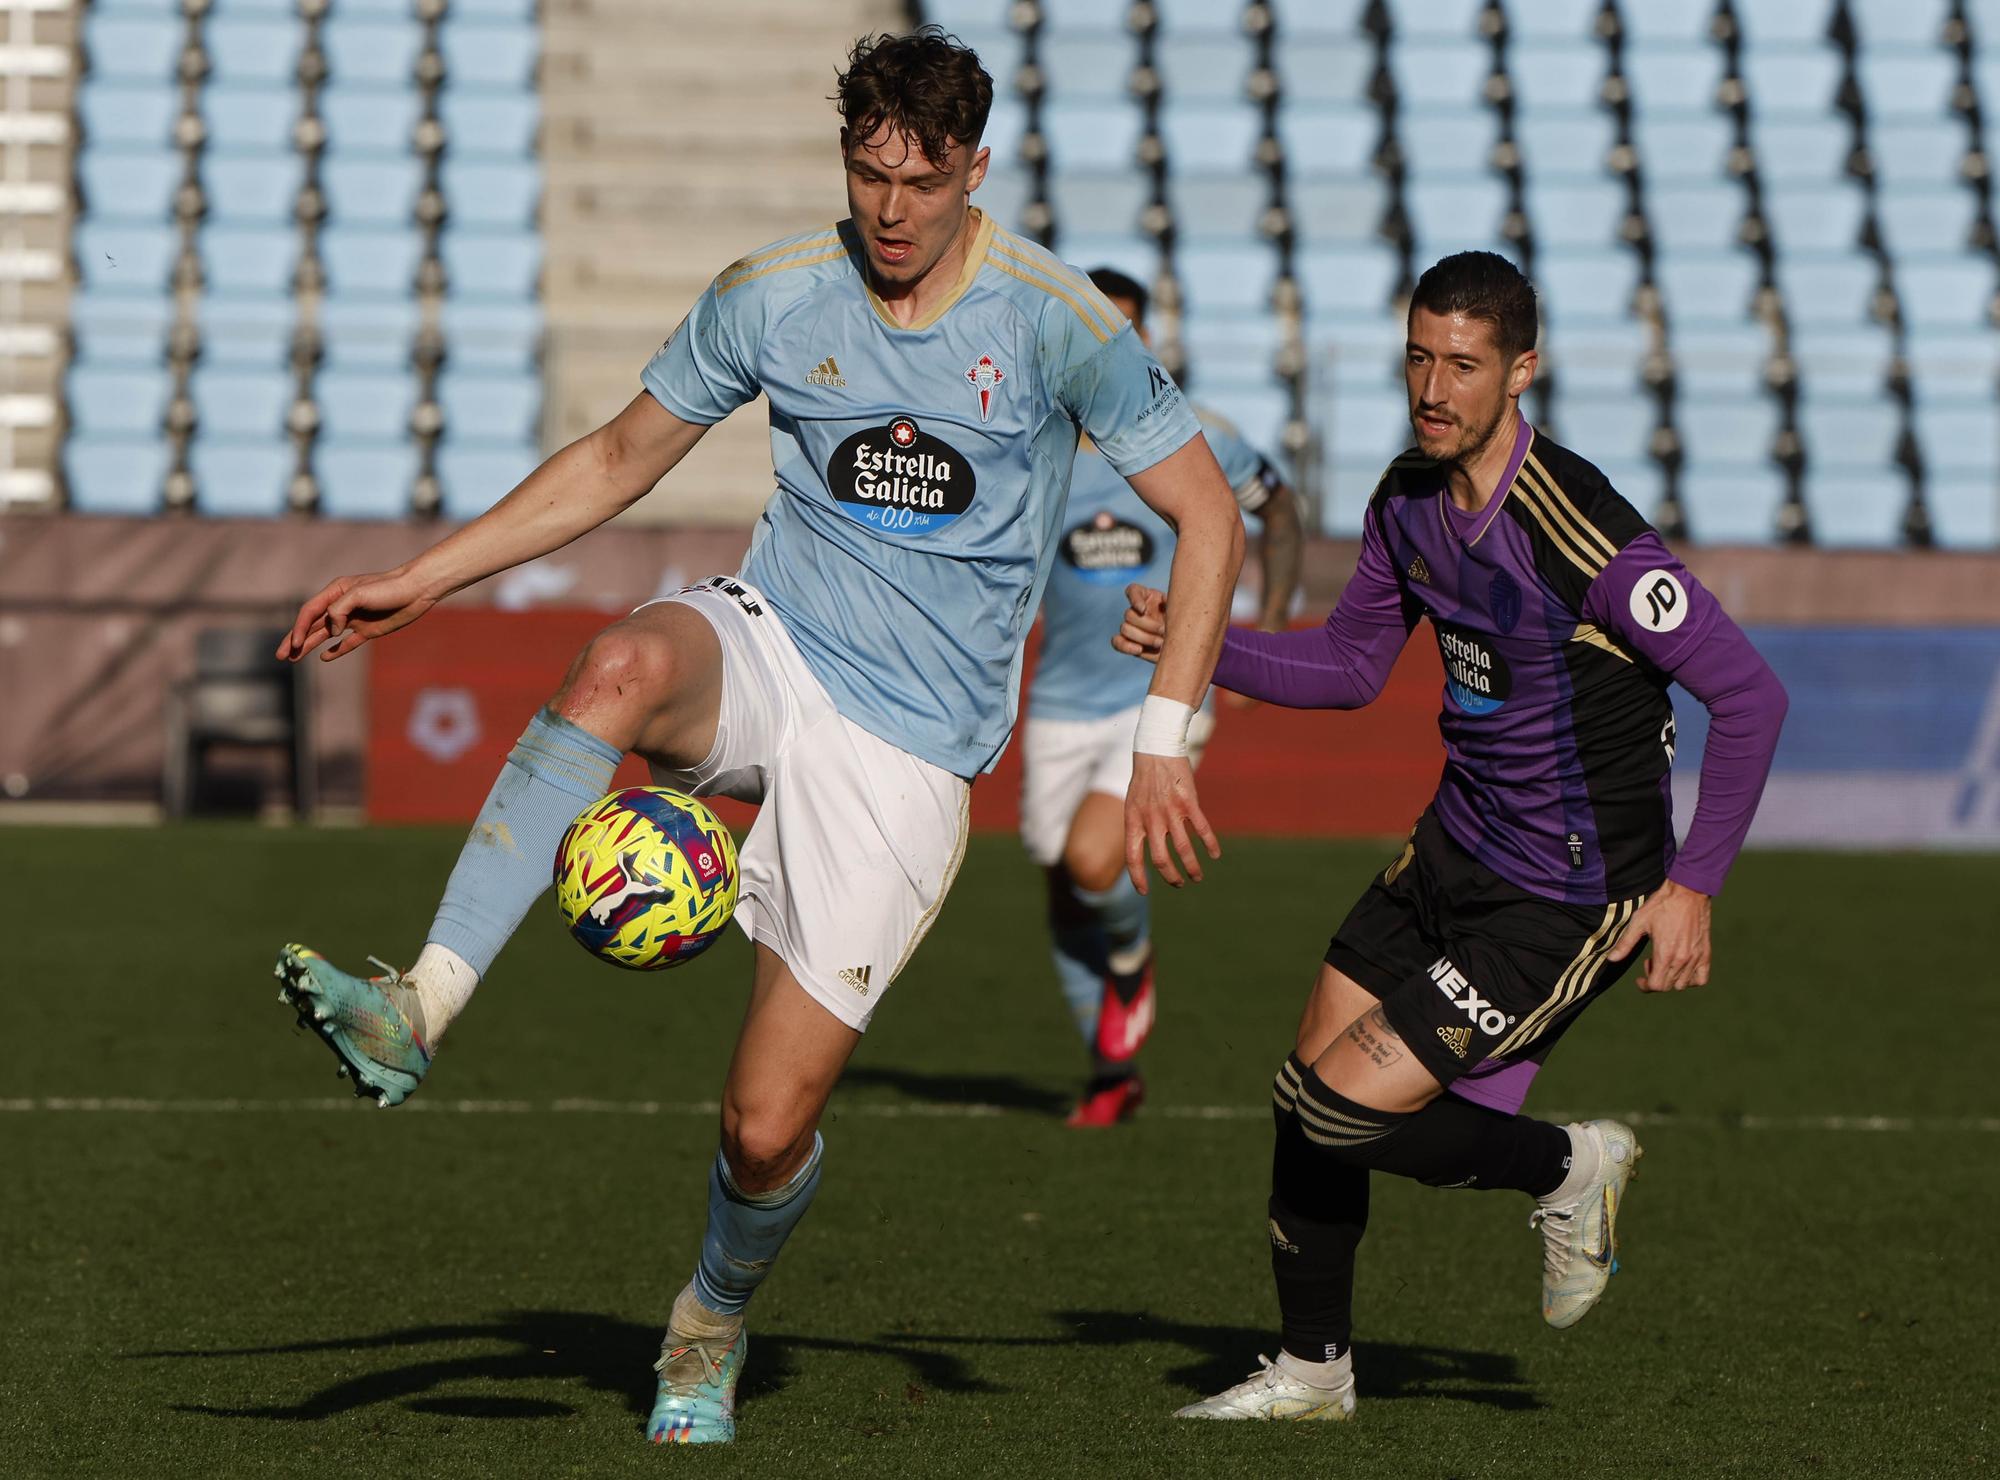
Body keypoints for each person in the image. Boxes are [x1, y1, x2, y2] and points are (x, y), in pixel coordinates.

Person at [268, 29, 1244, 1446]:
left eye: (922, 181)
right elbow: (615, 457)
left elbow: (1207, 514)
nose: (891, 211)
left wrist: (1166, 737)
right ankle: (421, 1003)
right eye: (867, 175)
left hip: (911, 751)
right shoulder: (777, 293)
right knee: (613, 664)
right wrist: (422, 579)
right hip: (773, 642)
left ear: (978, 166)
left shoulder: (1053, 320)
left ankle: (708, 1324)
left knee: (764, 1129)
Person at [1115, 251, 1787, 1422]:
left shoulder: (1579, 531)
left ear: (1521, 371)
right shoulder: (1405, 496)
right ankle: (1314, 1373)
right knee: (1301, 1101)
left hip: (1568, 895)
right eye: (1418, 358)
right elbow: (1348, 663)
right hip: (1448, 851)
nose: (1432, 387)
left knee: (1341, 1110)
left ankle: (1572, 1166)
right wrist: (1202, 638)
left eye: (1462, 365)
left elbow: (1750, 696)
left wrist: (1691, 887)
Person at [1021, 266, 1302, 1126]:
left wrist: (1275, 624)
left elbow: (1278, 510)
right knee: (1064, 883)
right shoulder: (1028, 441)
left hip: (1161, 690)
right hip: (1057, 703)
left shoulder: (1195, 433)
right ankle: (1112, 1074)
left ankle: (1135, 955)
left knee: (1093, 860)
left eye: (1129, 331)